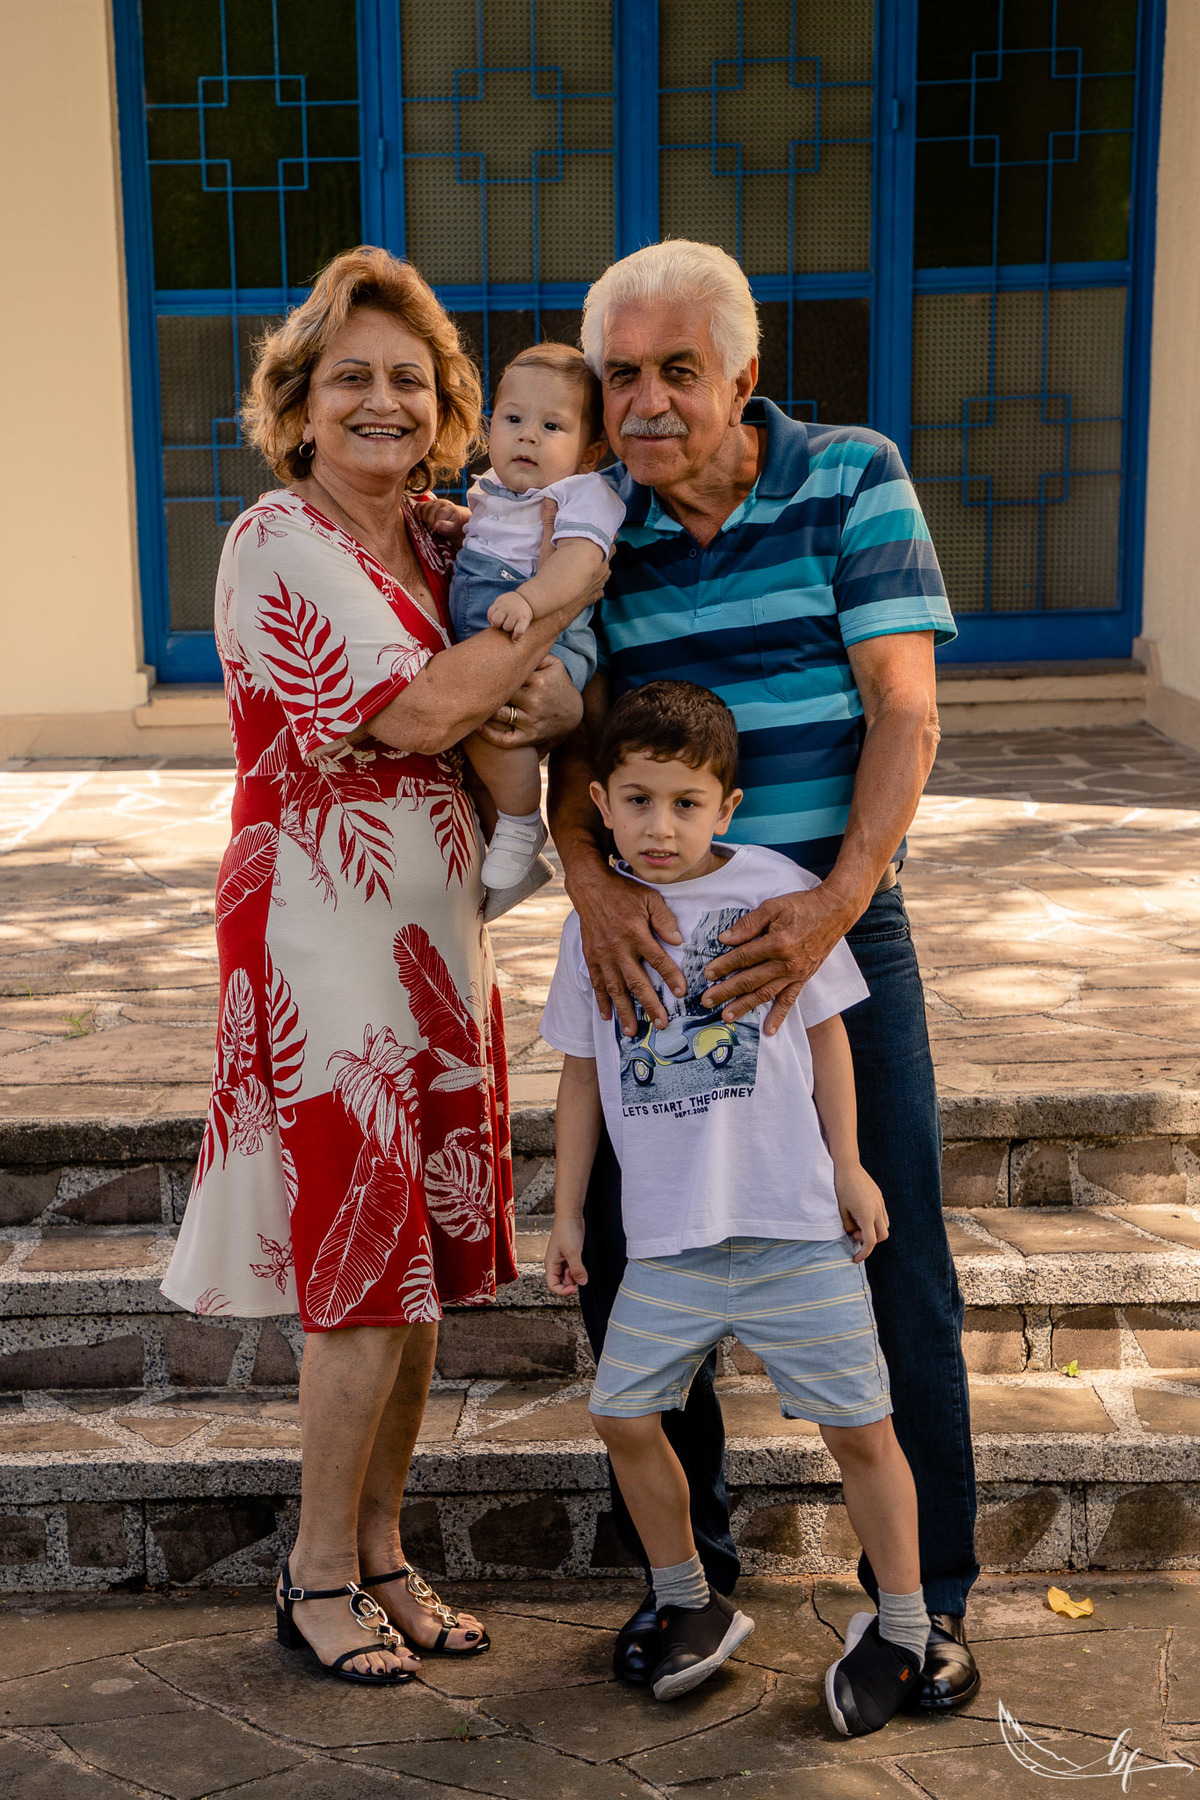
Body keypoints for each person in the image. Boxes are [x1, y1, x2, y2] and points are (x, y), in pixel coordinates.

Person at [548, 240, 980, 1710]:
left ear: (746, 375)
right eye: (623, 374)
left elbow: (902, 716)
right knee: (634, 1259)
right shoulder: (597, 526)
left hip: (838, 929)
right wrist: (594, 883)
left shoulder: (851, 474)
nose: (650, 400)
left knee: (896, 1261)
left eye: (681, 369)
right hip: (652, 946)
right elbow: (574, 744)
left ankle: (929, 1607)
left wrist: (836, 910)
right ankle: (691, 1590)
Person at [162, 245, 593, 1685]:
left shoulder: (446, 540)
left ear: (448, 405)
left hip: (434, 940)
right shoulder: (279, 540)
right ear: (297, 404)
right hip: (318, 947)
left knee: (412, 1280)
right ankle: (316, 1569)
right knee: (358, 1274)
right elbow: (416, 714)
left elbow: (542, 702)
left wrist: (524, 642)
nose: (382, 402)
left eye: (410, 380)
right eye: (349, 376)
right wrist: (537, 624)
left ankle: (390, 1552)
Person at [542, 682, 929, 1736]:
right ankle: (689, 1604)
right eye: (636, 801)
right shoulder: (598, 919)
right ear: (602, 804)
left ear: (728, 807)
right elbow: (580, 1074)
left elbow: (832, 1035)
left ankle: (903, 1624)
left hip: (789, 1221)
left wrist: (848, 1166)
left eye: (683, 803)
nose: (658, 827)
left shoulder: (775, 890)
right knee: (623, 1415)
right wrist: (570, 1211)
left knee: (861, 1429)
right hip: (668, 1235)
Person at [448, 343, 625, 912]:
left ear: (589, 452)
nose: (528, 436)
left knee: (490, 719)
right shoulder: (492, 490)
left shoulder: (582, 493)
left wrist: (530, 598)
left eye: (553, 425)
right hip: (496, 628)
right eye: (514, 419)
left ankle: (523, 826)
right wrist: (450, 522)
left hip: (553, 640)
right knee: (473, 744)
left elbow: (579, 563)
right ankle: (506, 843)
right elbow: (489, 535)